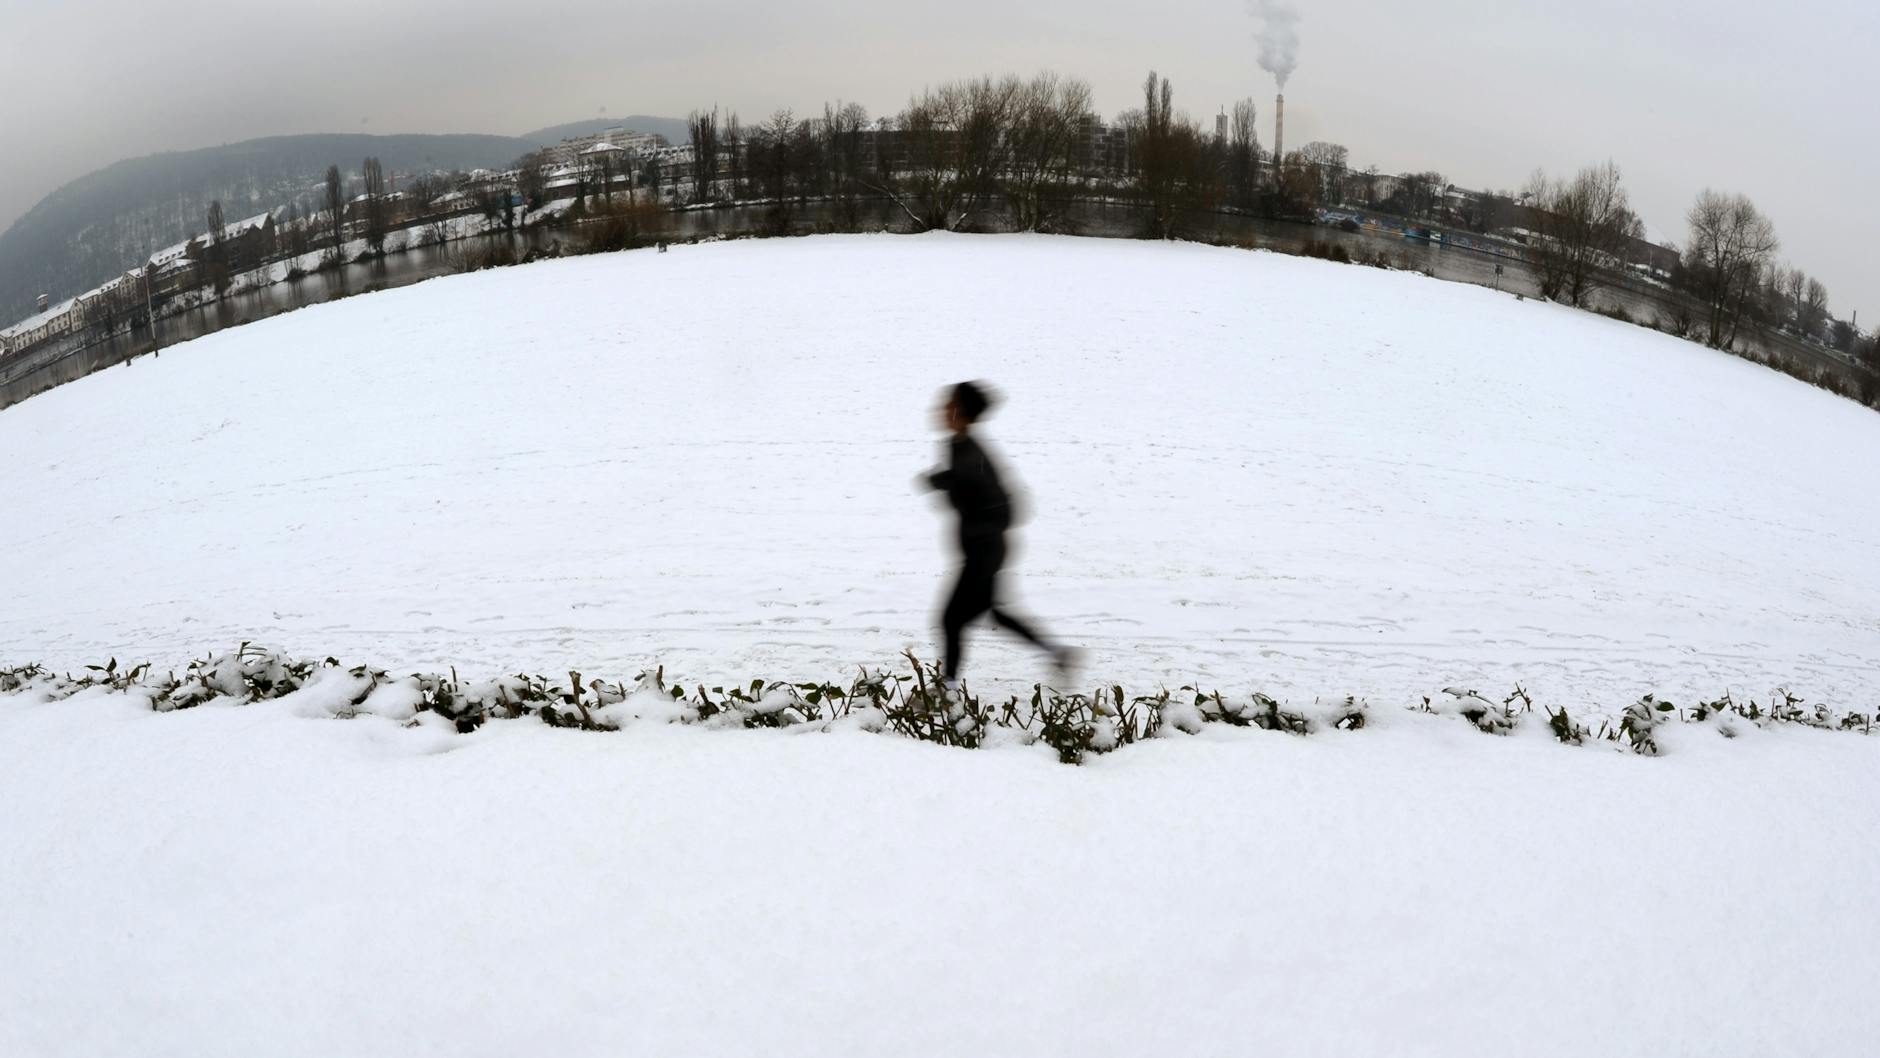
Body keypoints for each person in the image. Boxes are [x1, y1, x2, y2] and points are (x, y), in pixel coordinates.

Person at [921, 381, 1075, 690]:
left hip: (984, 551)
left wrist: (943, 480)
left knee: (951, 620)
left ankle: (946, 691)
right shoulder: (961, 446)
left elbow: (993, 496)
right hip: (986, 548)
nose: (942, 409)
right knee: (990, 612)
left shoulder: (969, 453)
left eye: (949, 404)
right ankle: (1058, 654)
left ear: (962, 412)